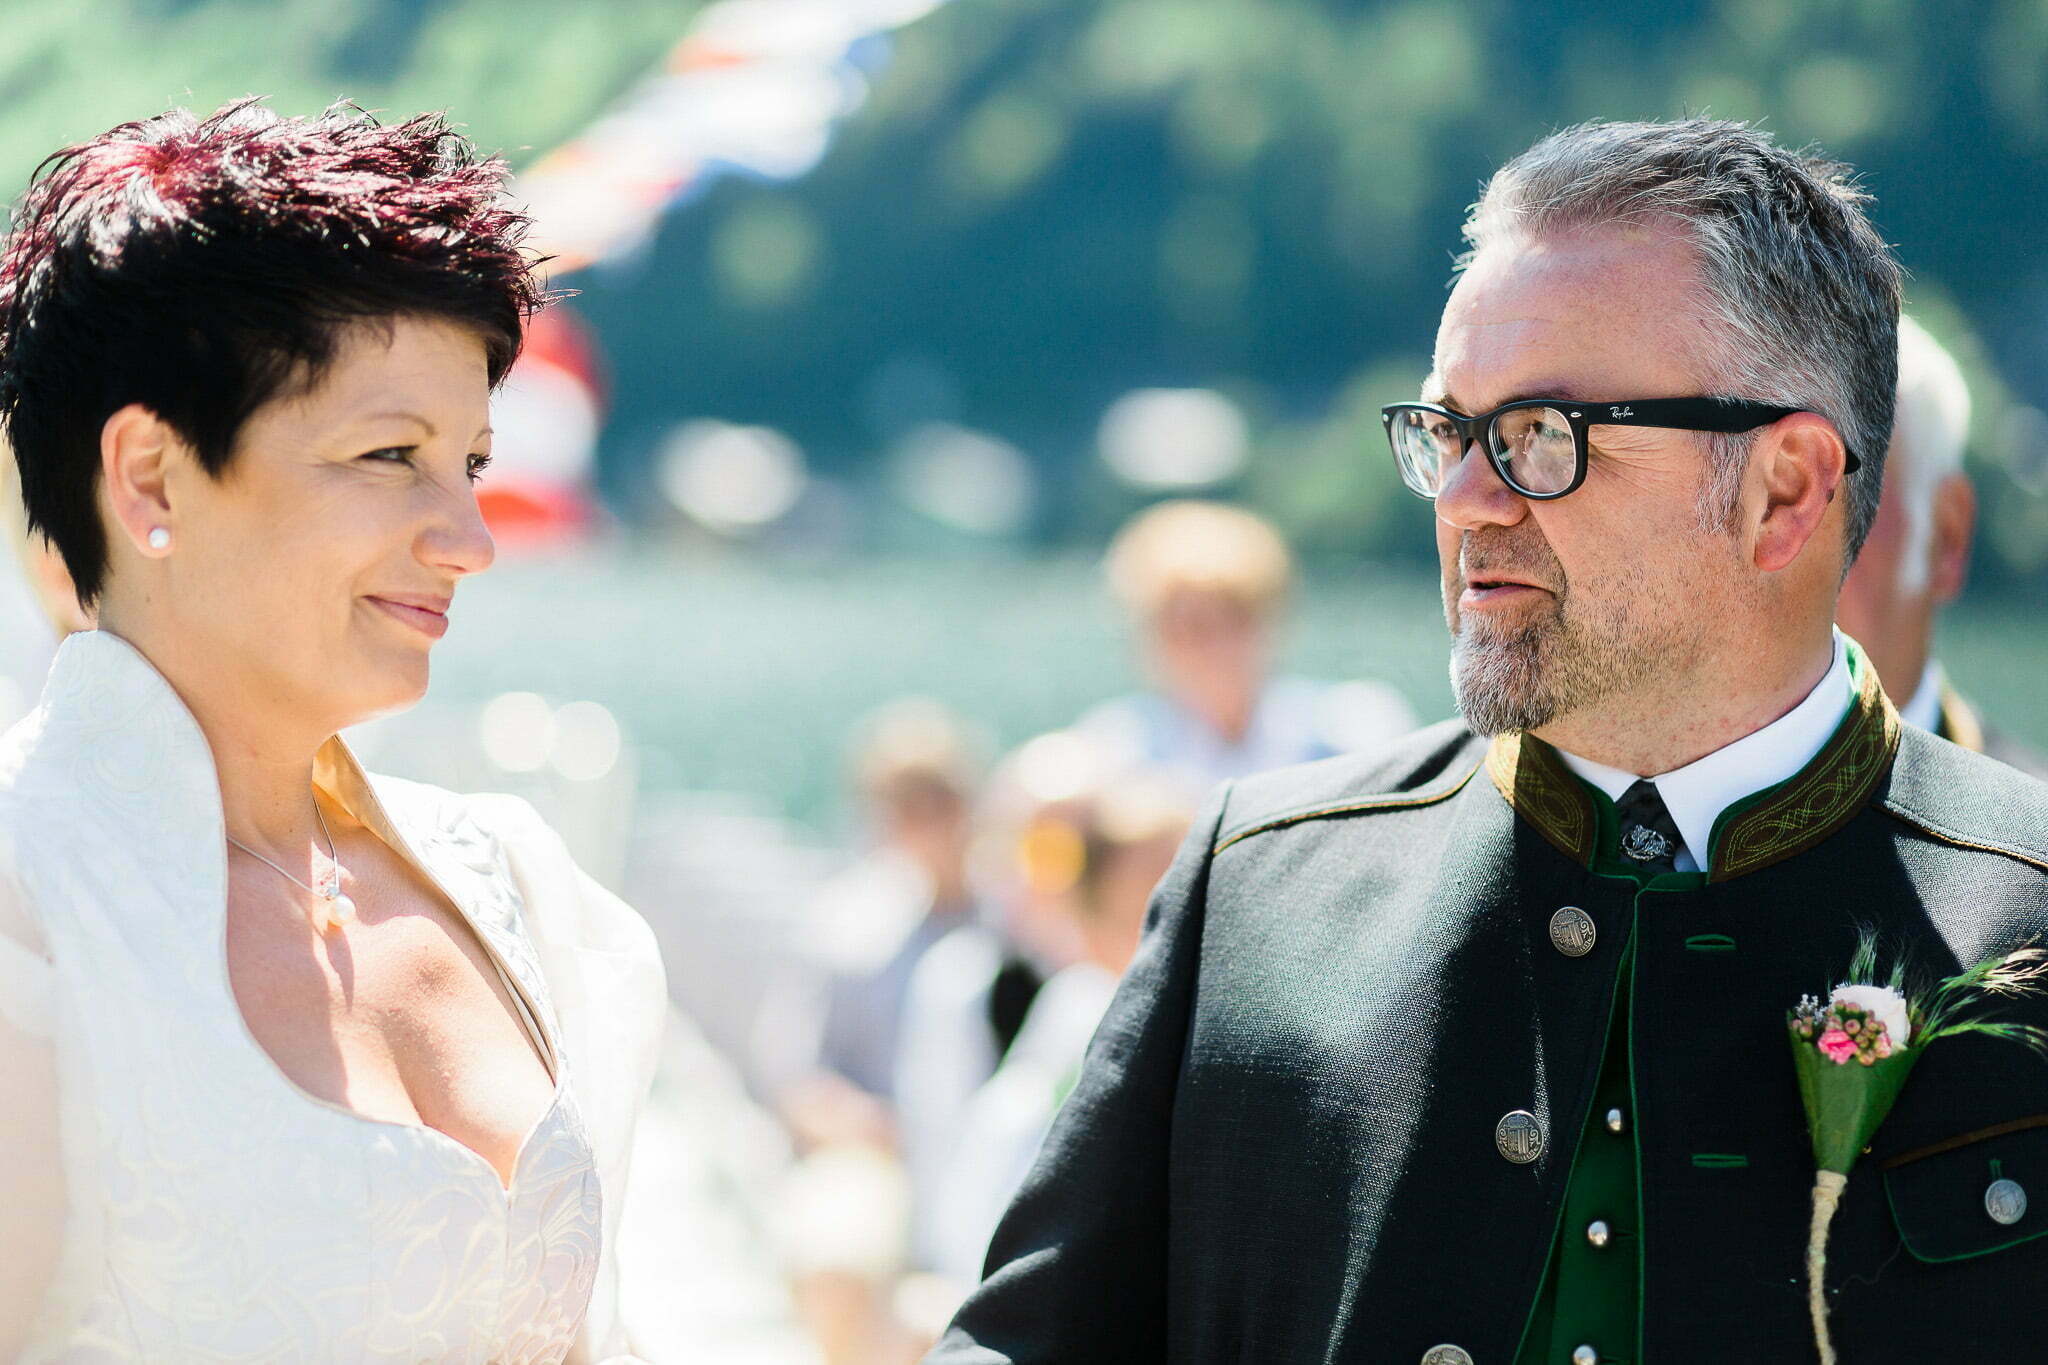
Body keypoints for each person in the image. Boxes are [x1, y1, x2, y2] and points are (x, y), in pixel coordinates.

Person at [929, 119, 2048, 1365]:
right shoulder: (1253, 885)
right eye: (1448, 433)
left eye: (1539, 437)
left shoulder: (2032, 909)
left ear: (1783, 491)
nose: (1464, 500)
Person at [0, 100, 669, 1362]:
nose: (468, 540)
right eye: (386, 455)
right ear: (150, 478)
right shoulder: (27, 897)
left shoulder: (521, 882)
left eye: (469, 462)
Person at [1077, 499, 1412, 798]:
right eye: (1183, 628)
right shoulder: (1112, 754)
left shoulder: (1353, 731)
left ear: (1268, 622)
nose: (1209, 648)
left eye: (1228, 620)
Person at [1836, 315, 2048, 776]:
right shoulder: (1654, 822)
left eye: (1834, 479)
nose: (1774, 532)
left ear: (1946, 537)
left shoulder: (2032, 838)